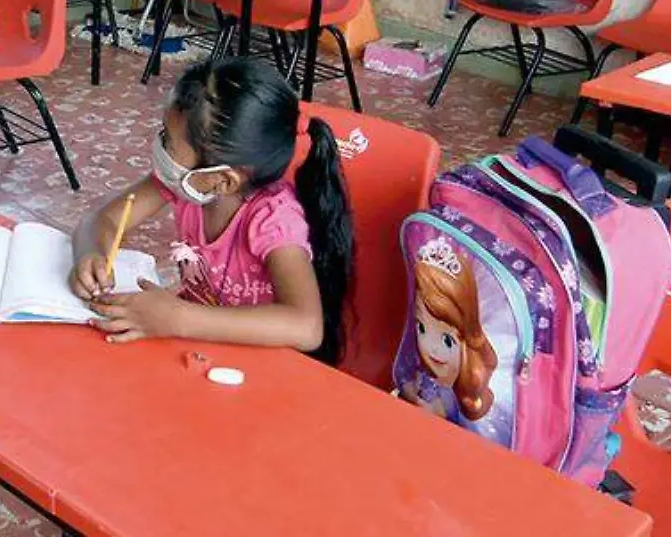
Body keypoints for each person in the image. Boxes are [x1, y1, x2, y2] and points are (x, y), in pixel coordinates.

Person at [67, 57, 356, 364]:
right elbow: (102, 219)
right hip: (197, 353)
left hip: (259, 367)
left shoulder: (273, 220)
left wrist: (177, 318)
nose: (160, 148)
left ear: (223, 179)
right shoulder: (186, 184)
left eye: (169, 141)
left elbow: (306, 327)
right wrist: (90, 253)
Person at [397, 237, 498, 423]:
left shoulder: (459, 396)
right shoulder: (426, 374)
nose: (432, 348)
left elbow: (433, 412)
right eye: (421, 328)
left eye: (447, 340)